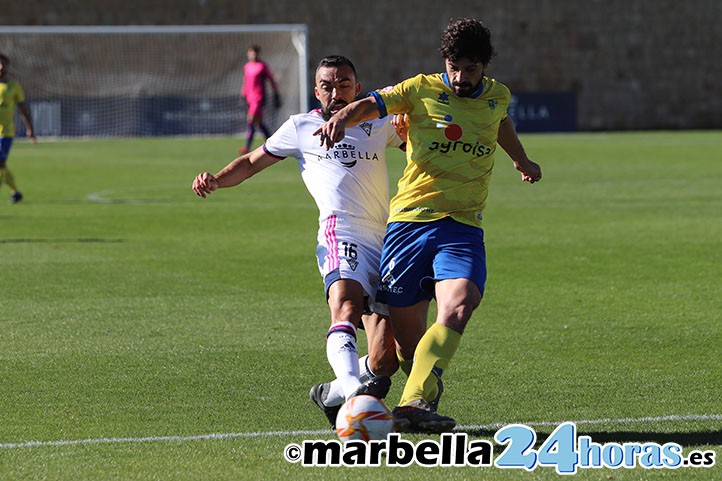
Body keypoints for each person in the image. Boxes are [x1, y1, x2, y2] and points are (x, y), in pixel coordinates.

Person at [315, 18, 543, 433]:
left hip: (462, 226)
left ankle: (414, 403)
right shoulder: (420, 88)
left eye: (470, 69)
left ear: (485, 66)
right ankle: (365, 388)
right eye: (453, 66)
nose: (460, 76)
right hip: (408, 226)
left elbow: (502, 121)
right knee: (404, 349)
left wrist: (520, 159)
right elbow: (372, 104)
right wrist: (342, 117)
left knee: (459, 306)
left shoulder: (497, 96)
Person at [193, 55, 406, 429]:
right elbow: (253, 162)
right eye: (327, 85)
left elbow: (418, 143)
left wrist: (410, 126)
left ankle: (333, 393)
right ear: (316, 90)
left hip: (386, 237)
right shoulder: (300, 126)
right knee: (345, 306)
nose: (335, 92)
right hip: (341, 230)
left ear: (357, 89)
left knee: (386, 358)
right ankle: (355, 397)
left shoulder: (377, 120)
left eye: (344, 85)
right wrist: (217, 178)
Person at [0, 53, 36, 204]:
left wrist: (30, 130)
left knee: (0, 163)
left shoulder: (13, 87)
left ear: (7, 67)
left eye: (3, 64)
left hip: (5, 133)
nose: (1, 67)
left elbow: (23, 110)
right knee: (1, 164)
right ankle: (16, 192)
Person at [239, 45, 281, 155]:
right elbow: (246, 81)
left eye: (255, 52)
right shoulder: (247, 66)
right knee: (259, 122)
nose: (253, 55)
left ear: (258, 54)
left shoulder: (262, 66)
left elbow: (272, 80)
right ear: (248, 54)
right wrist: (243, 95)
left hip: (259, 97)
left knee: (251, 119)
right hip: (249, 97)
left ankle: (246, 147)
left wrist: (276, 94)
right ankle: (273, 143)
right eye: (251, 52)